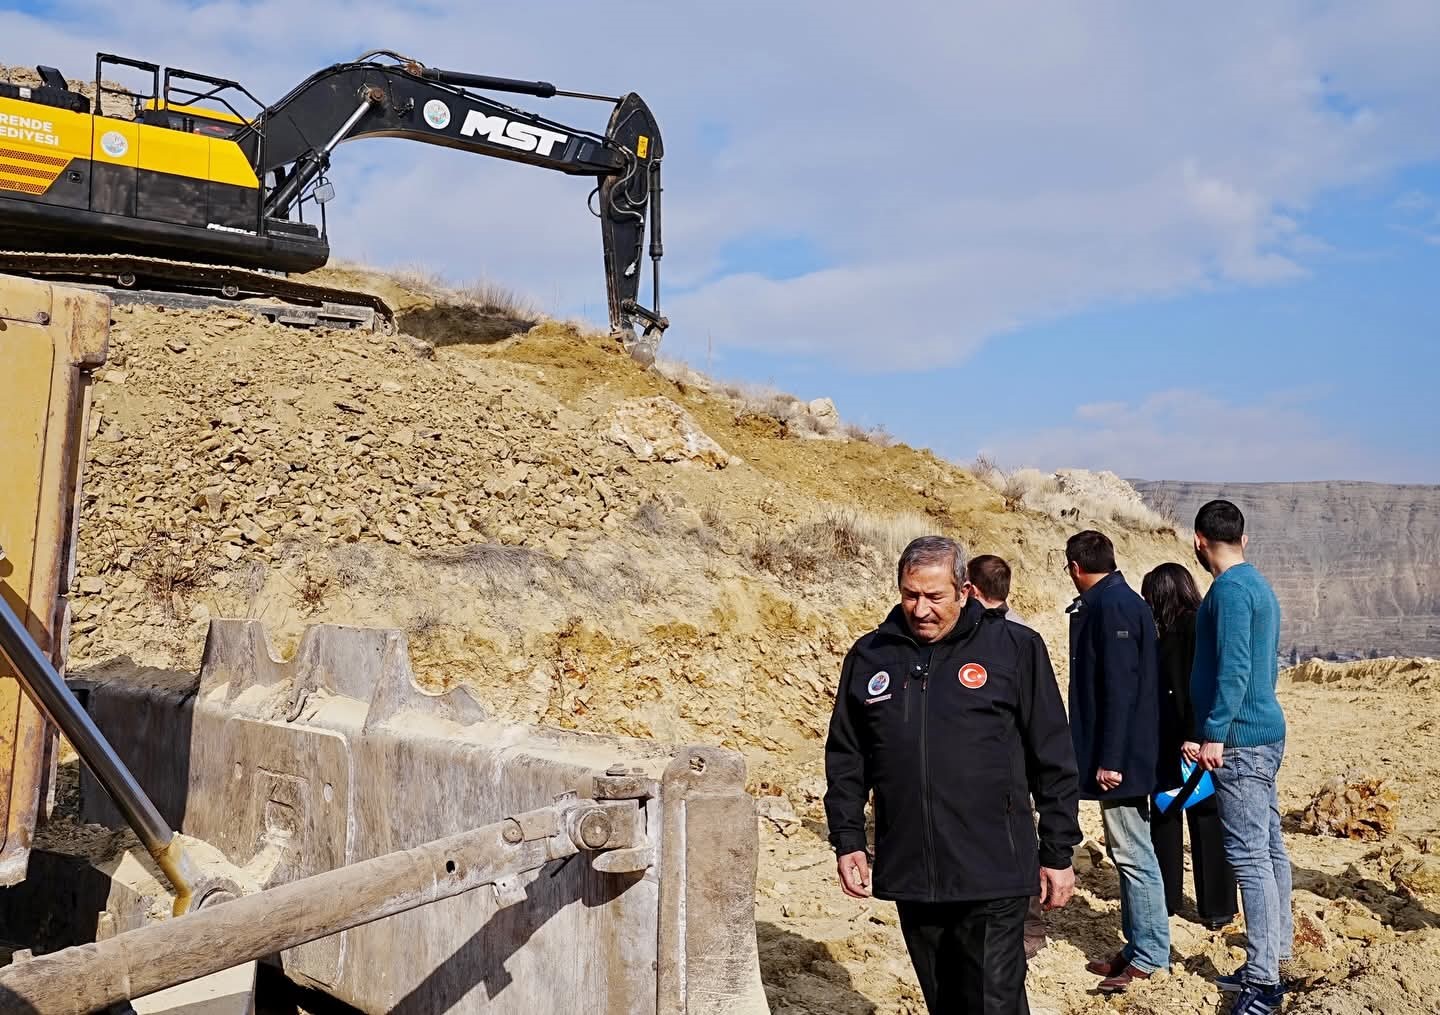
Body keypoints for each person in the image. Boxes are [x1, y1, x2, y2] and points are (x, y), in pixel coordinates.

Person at [825, 536, 1082, 1014]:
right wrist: (848, 837)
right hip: (912, 868)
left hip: (994, 866)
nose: (920, 609)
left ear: (964, 591)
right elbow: (847, 757)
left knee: (993, 1001)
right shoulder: (871, 656)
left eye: (934, 596)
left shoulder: (1014, 648)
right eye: (910, 594)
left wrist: (1058, 850)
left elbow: (1053, 756)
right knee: (945, 1000)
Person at [1185, 500, 1292, 1015]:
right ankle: (1275, 954)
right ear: (1243, 539)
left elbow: (1234, 667)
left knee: (1249, 857)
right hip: (1265, 731)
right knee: (1269, 850)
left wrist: (1214, 733)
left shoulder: (1227, 591)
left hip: (1242, 740)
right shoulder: (1258, 584)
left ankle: (1264, 981)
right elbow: (1261, 668)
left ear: (1199, 541)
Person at [1063, 530, 1173, 993]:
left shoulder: (1114, 607)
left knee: (1133, 854)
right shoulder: (1117, 601)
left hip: (1122, 759)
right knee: (1127, 849)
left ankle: (1148, 954)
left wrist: (1110, 759)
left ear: (1074, 567)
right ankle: (1136, 945)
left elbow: (1121, 688)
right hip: (1124, 755)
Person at [1141, 563, 1238, 930]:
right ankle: (1207, 905)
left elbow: (1200, 687)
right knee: (1187, 816)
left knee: (1195, 816)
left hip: (1188, 740)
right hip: (1180, 738)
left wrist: (1195, 735)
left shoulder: (1189, 628)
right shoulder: (1183, 628)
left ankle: (1200, 905)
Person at [964, 553, 1049, 961]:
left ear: (971, 590)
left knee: (1014, 845)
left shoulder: (1009, 641)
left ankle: (1026, 926)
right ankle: (1027, 928)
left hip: (1002, 766)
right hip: (1018, 763)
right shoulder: (1026, 634)